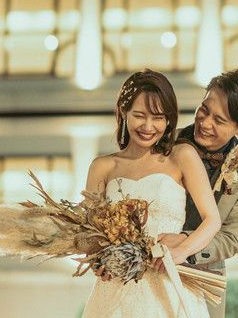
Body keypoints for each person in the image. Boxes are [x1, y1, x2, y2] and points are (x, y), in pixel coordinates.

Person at [82, 69, 221, 318]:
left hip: (169, 282)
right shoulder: (102, 166)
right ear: (123, 112)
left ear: (168, 120)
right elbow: (88, 232)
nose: (148, 126)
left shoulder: (182, 156)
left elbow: (212, 220)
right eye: (139, 116)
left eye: (158, 118)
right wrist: (97, 261)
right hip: (117, 291)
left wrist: (182, 251)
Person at [163, 69, 238, 318]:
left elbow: (232, 238)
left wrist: (185, 244)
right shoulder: (163, 144)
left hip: (202, 279)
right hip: (145, 269)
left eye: (219, 120)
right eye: (204, 109)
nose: (205, 123)